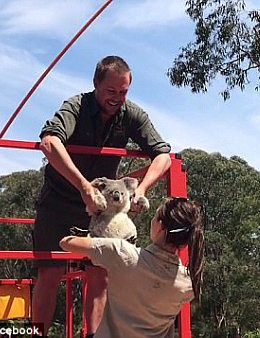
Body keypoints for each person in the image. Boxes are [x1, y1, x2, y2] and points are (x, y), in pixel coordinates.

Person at [32, 55, 172, 337]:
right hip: (59, 202)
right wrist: (85, 187)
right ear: (95, 84)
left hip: (104, 212)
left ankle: (94, 334)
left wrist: (140, 190)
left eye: (123, 92)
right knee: (50, 272)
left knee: (101, 272)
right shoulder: (76, 106)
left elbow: (164, 155)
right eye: (111, 91)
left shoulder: (132, 114)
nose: (117, 98)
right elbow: (49, 142)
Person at [59, 197, 205, 338]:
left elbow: (66, 243)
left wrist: (100, 232)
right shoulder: (187, 284)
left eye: (154, 216)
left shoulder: (121, 252)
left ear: (160, 227)